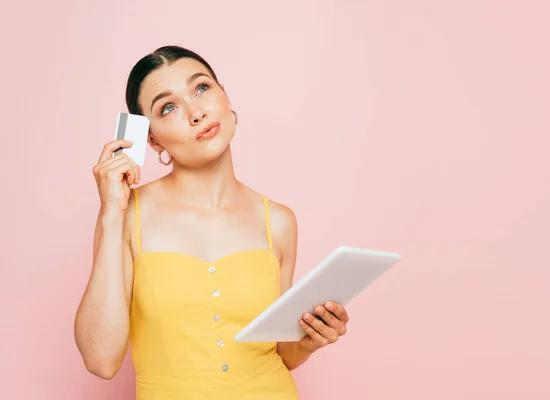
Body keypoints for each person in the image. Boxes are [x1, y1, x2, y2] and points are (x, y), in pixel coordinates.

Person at [73, 45, 350, 399]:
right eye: (168, 107)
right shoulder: (126, 215)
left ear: (225, 97)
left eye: (201, 88)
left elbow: (282, 352)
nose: (196, 112)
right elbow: (101, 359)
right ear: (152, 138)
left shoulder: (278, 221)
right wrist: (111, 212)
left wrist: (310, 339)